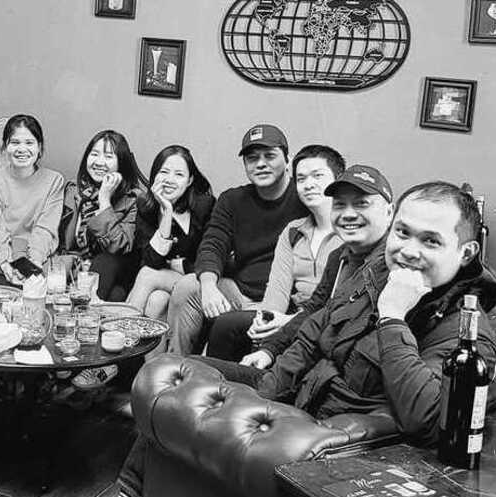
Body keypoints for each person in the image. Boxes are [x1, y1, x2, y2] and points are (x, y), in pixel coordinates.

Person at [30, 181, 496, 497]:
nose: (409, 251)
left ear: (466, 253)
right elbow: (317, 328)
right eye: (403, 233)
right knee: (173, 374)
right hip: (291, 398)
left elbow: (429, 419)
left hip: (327, 438)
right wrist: (267, 382)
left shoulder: (468, 328)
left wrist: (394, 318)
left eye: (431, 241)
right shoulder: (378, 268)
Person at [165, 124, 308, 355]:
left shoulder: (304, 197)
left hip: (284, 303)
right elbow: (213, 244)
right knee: (187, 286)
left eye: (270, 156)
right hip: (241, 292)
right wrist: (208, 286)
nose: (260, 164)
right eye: (252, 158)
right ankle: (175, 366)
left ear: (288, 160)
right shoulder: (232, 200)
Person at [240, 164, 395, 371]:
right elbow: (313, 311)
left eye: (361, 204)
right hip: (311, 368)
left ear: (389, 212)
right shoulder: (339, 257)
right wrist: (269, 351)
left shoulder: (393, 265)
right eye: (339, 205)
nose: (348, 214)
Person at [205, 145, 345, 362]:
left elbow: (340, 303)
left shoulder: (351, 231)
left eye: (318, 176)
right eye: (301, 179)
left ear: (338, 180)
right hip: (291, 316)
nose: (309, 184)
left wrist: (290, 322)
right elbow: (277, 291)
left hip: (329, 322)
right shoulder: (293, 231)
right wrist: (266, 320)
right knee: (227, 326)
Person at [125, 145, 214, 319]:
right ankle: (136, 334)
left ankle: (122, 329)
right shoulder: (146, 208)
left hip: (200, 281)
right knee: (157, 300)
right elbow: (151, 260)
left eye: (179, 175)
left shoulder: (205, 206)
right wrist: (167, 212)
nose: (169, 180)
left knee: (147, 275)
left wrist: (184, 266)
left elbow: (214, 256)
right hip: (166, 282)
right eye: (164, 172)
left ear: (189, 181)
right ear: (154, 176)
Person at [58, 130, 146, 301]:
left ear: (121, 163)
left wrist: (104, 200)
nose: (99, 162)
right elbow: (61, 241)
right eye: (94, 154)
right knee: (115, 295)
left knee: (107, 264)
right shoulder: (73, 191)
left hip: (111, 270)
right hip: (74, 268)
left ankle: (84, 309)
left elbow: (119, 247)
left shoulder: (134, 199)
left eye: (108, 156)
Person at [0, 114, 66, 285]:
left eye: (29, 143)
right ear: (5, 146)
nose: (22, 149)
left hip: (39, 258)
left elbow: (46, 228)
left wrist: (33, 264)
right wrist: (5, 263)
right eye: (15, 142)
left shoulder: (54, 180)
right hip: (0, 260)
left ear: (39, 147)